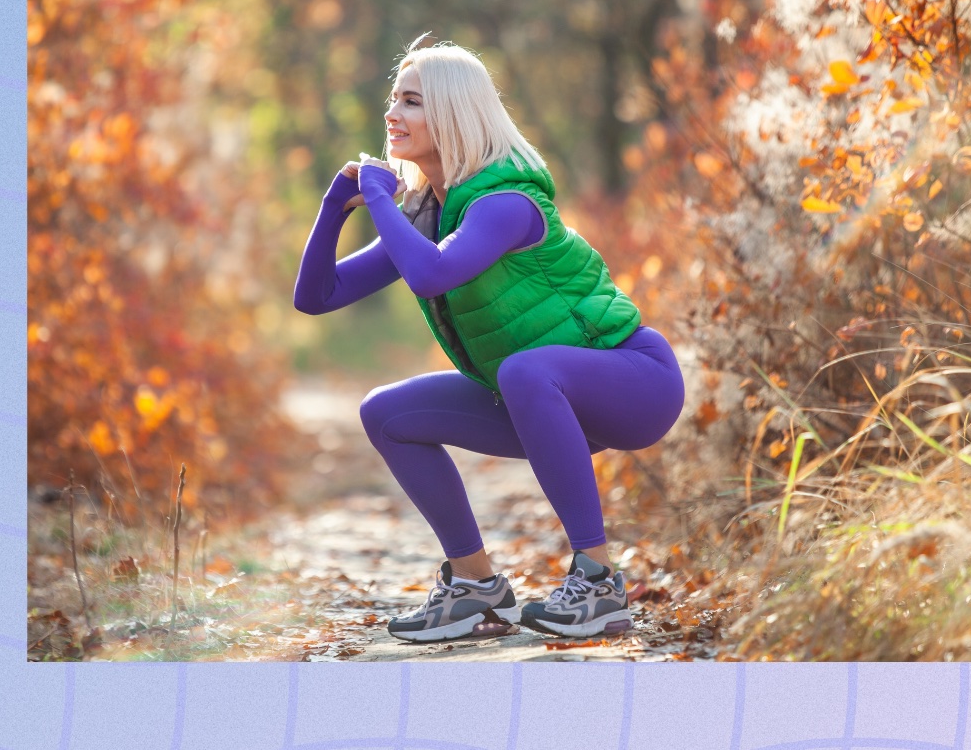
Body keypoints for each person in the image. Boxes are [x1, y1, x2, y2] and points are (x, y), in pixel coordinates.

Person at [293, 38, 685, 642]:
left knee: (524, 371)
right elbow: (316, 297)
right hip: (539, 394)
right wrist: (333, 207)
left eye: (413, 102)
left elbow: (432, 273)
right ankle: (474, 586)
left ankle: (600, 581)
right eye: (393, 99)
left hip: (634, 381)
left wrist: (376, 196)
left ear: (453, 113)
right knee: (388, 413)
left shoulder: (506, 203)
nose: (393, 114)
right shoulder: (431, 215)